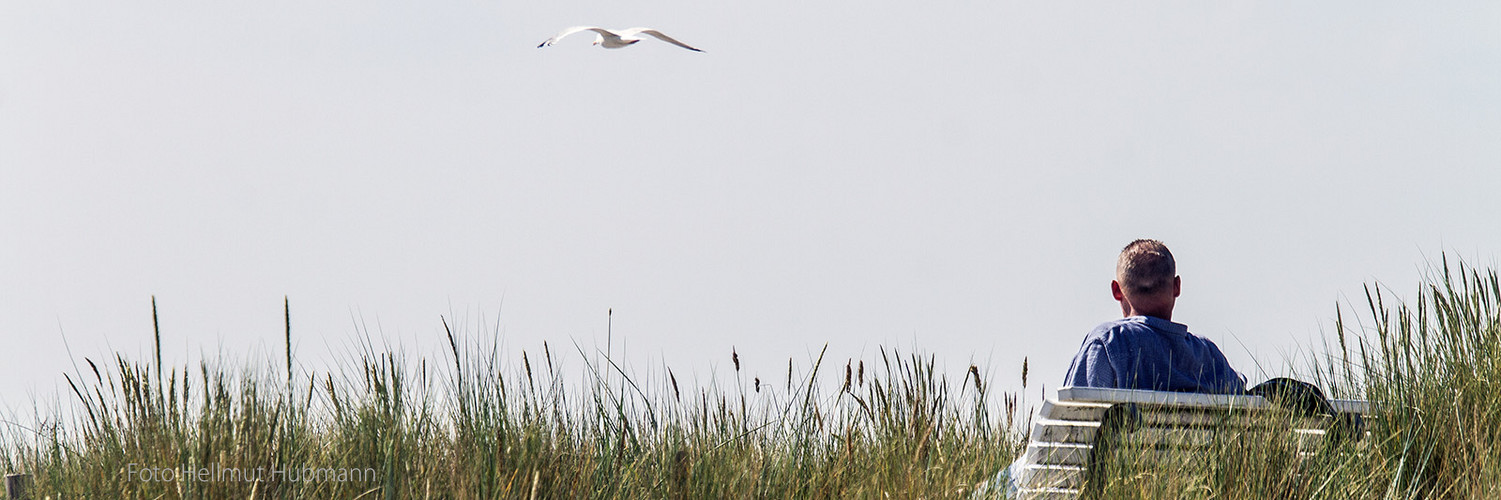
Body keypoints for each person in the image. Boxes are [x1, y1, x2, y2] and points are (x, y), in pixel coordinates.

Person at [1062, 239, 1244, 393]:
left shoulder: (1108, 342)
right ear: (1177, 286)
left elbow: (1075, 421)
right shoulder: (1208, 356)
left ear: (1117, 290)